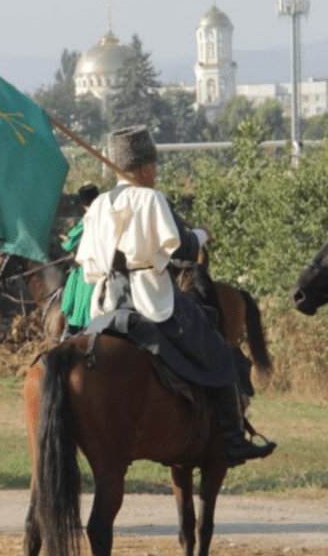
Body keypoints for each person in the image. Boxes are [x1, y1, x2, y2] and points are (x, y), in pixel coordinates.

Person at [76, 126, 275, 466]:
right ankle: (233, 438)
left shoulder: (97, 205)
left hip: (107, 302)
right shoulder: (152, 198)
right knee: (219, 351)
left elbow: (88, 264)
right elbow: (179, 248)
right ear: (145, 168)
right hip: (152, 300)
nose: (155, 173)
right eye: (154, 167)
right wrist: (201, 234)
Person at [59, 183, 100, 337]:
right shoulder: (109, 214)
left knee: (75, 280)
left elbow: (70, 243)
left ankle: (73, 328)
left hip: (91, 267)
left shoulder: (88, 218)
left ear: (83, 205)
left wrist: (65, 241)